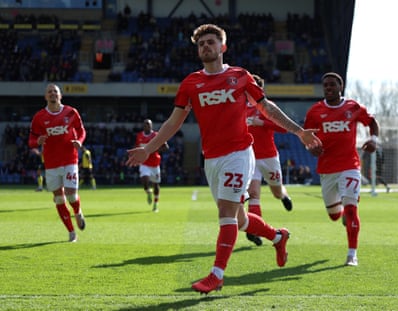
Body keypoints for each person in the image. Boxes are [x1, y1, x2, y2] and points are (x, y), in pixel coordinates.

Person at [126, 24, 321, 294]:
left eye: (211, 42)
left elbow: (266, 107)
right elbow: (174, 122)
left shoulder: (240, 76)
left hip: (239, 154)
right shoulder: (191, 83)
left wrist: (298, 131)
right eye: (201, 44)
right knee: (240, 220)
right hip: (212, 159)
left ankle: (216, 275)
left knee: (225, 213)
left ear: (222, 47)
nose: (205, 46)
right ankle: (278, 237)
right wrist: (149, 148)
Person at [304, 72, 380, 267]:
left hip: (350, 166)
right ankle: (343, 215)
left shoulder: (353, 107)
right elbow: (307, 137)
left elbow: (372, 122)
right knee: (334, 216)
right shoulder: (315, 111)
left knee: (352, 209)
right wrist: (312, 148)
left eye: (332, 85)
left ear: (340, 86)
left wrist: (373, 140)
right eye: (325, 85)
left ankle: (351, 254)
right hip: (327, 168)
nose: (328, 88)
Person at [28, 83, 87, 243]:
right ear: (46, 96)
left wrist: (79, 141)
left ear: (60, 95)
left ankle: (77, 211)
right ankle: (71, 232)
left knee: (71, 194)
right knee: (59, 199)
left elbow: (81, 131)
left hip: (70, 159)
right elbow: (31, 140)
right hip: (51, 162)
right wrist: (37, 141)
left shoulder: (71, 112)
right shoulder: (39, 117)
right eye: (50, 92)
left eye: (55, 91)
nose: (53, 94)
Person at [245, 74, 293, 247]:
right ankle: (254, 230)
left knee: (276, 192)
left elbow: (283, 128)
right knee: (253, 194)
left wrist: (262, 123)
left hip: (269, 157)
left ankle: (284, 195)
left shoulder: (267, 107)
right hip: (250, 157)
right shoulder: (241, 109)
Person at [135, 118, 169, 212]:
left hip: (155, 164)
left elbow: (166, 147)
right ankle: (148, 192)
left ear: (151, 126)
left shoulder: (156, 135)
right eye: (146, 124)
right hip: (144, 163)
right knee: (145, 181)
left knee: (156, 185)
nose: (147, 126)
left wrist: (154, 150)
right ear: (143, 126)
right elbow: (137, 147)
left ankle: (156, 203)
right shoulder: (139, 136)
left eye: (149, 124)